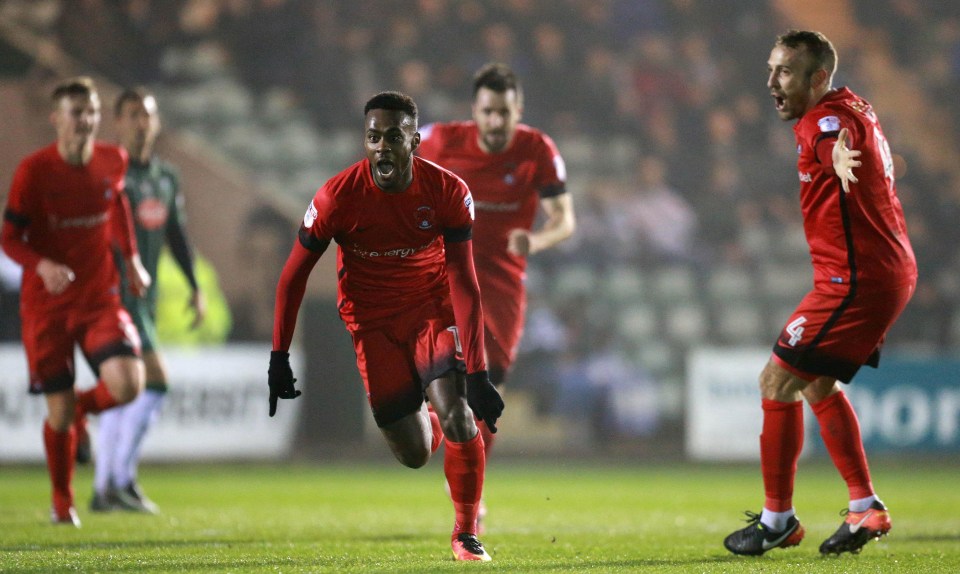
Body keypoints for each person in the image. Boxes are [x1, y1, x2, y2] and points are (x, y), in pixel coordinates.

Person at [267, 91, 504, 561]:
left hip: (430, 311)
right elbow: (293, 275)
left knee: (460, 414)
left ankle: (465, 532)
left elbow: (465, 282)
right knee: (414, 453)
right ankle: (437, 420)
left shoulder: (447, 192)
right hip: (371, 322)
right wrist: (279, 356)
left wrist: (476, 373)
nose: (381, 147)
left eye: (393, 137)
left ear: (414, 141)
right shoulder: (337, 196)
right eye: (373, 137)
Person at [723, 30, 917, 557]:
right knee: (816, 384)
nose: (771, 83)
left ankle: (777, 520)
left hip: (856, 279)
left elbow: (833, 140)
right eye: (771, 70)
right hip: (880, 269)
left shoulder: (823, 122)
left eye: (784, 72)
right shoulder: (852, 103)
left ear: (818, 79)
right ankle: (864, 508)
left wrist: (836, 157)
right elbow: (844, 130)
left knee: (776, 379)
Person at [416, 63, 575, 528]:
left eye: (504, 112)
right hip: (443, 275)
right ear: (475, 111)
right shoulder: (441, 140)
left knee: (489, 397)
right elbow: (388, 162)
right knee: (442, 380)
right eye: (488, 112)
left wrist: (537, 240)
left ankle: (470, 487)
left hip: (502, 285)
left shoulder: (538, 149)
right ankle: (461, 480)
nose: (496, 122)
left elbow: (565, 219)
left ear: (518, 111)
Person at [0, 76, 151, 526]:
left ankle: (84, 411)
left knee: (129, 384)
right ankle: (62, 501)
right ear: (56, 119)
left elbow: (117, 207)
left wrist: (133, 260)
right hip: (46, 305)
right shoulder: (35, 171)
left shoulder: (113, 159)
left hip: (99, 296)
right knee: (58, 414)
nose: (85, 120)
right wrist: (41, 265)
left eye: (91, 113)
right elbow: (9, 237)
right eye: (76, 113)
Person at [90, 88, 206, 515]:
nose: (142, 122)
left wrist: (195, 285)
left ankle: (108, 487)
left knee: (127, 391)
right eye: (134, 114)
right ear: (118, 122)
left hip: (145, 297)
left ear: (156, 124)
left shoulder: (166, 177)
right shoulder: (105, 174)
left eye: (148, 115)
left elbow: (175, 234)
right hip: (112, 296)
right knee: (155, 379)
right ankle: (120, 480)